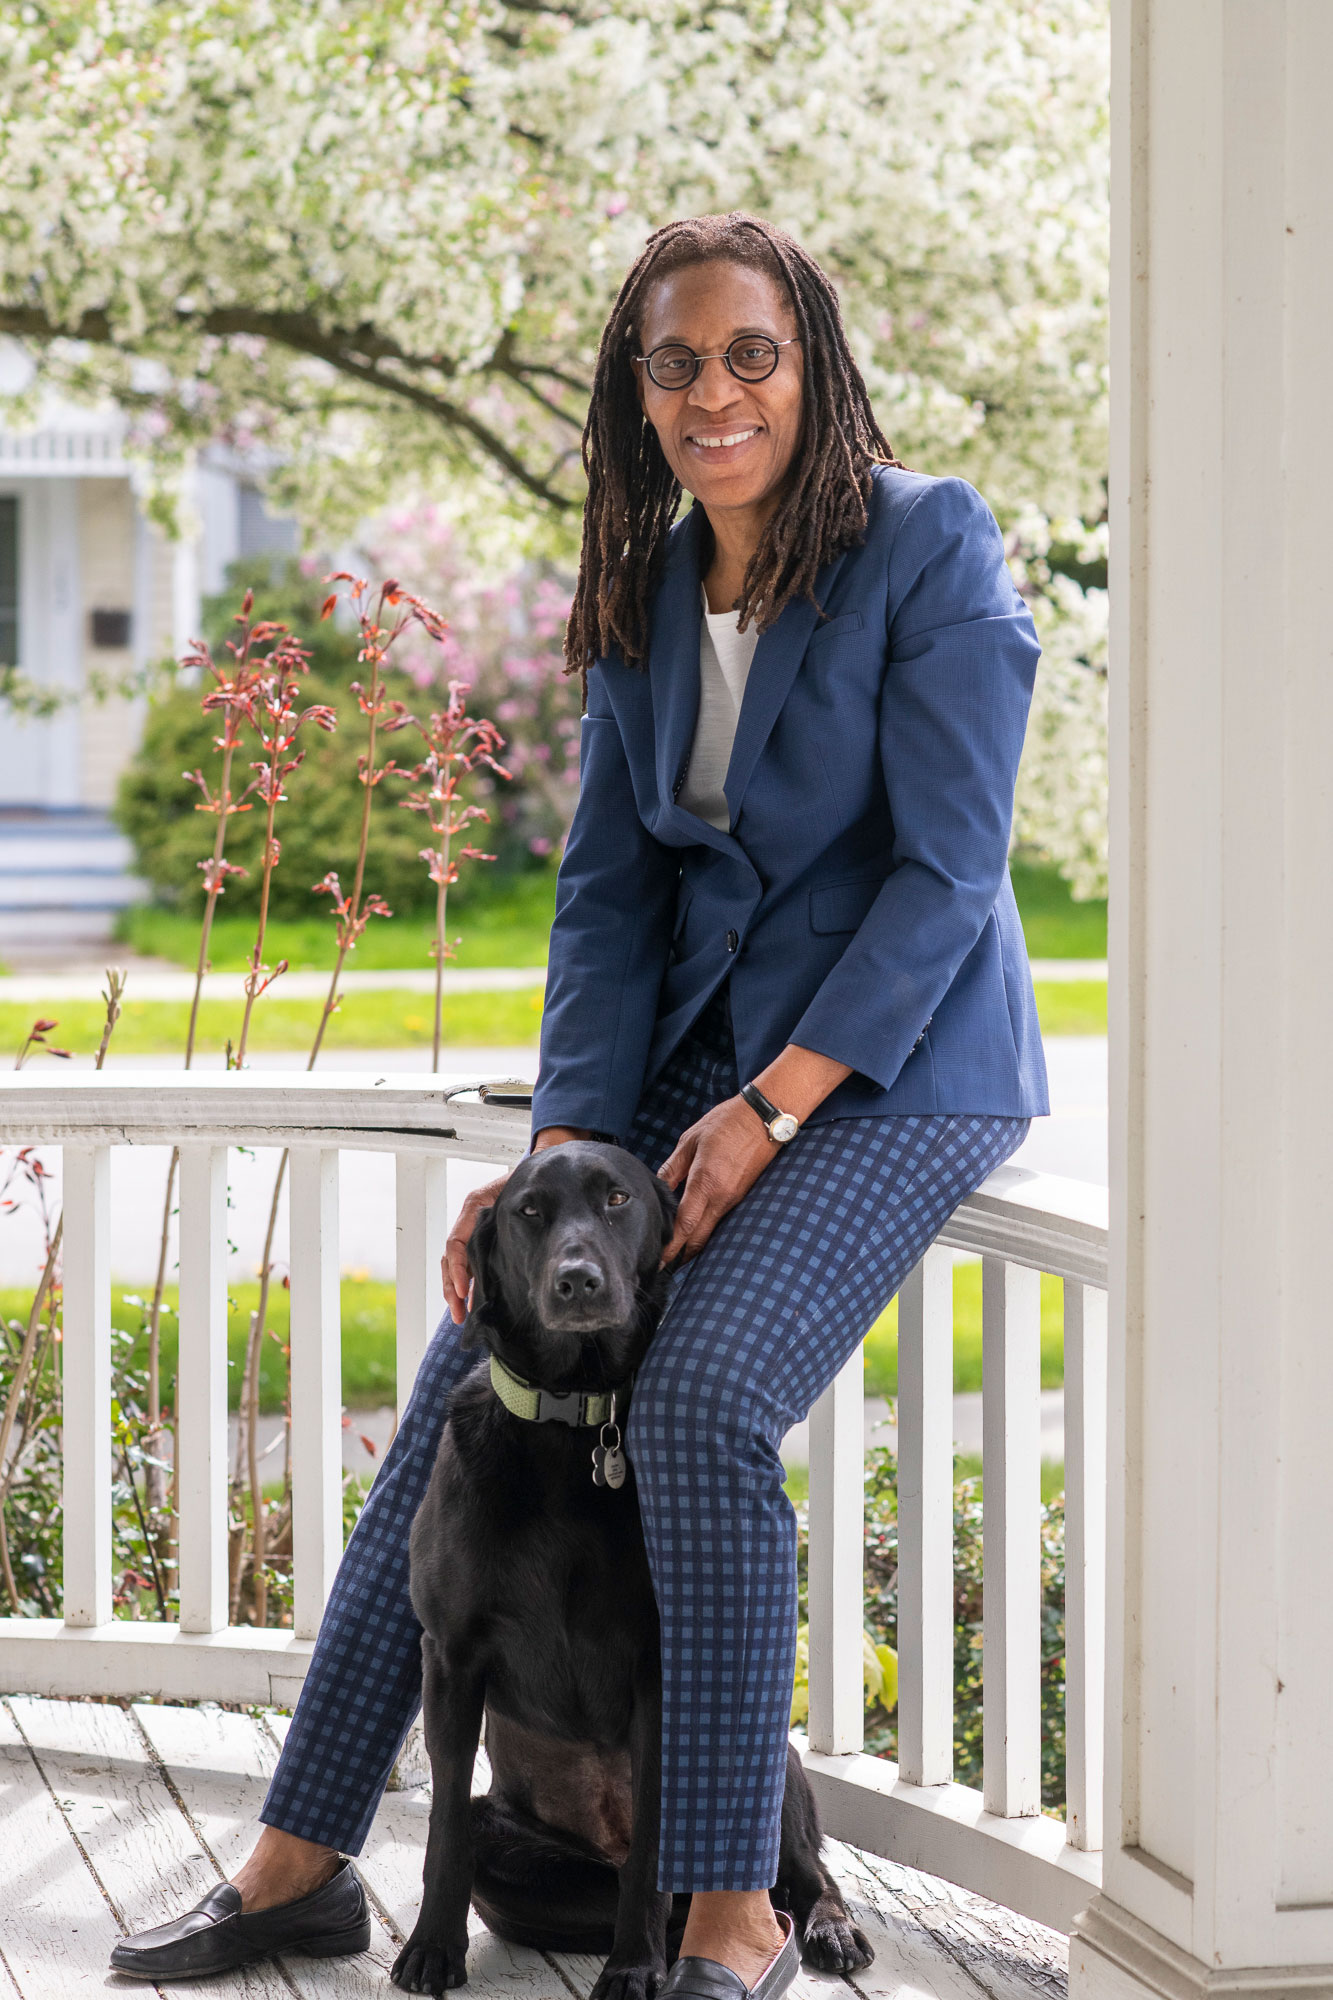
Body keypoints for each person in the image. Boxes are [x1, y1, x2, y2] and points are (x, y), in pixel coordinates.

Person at [110, 211, 1048, 1991]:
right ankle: (301, 1861)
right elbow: (611, 902)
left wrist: (768, 1108)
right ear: (636, 389)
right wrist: (557, 1152)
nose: (714, 391)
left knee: (695, 1401)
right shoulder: (637, 582)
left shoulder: (926, 544)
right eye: (675, 361)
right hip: (702, 1064)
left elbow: (946, 873)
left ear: (813, 364)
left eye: (749, 354)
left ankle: (730, 1904)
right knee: (475, 1375)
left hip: (900, 1067)